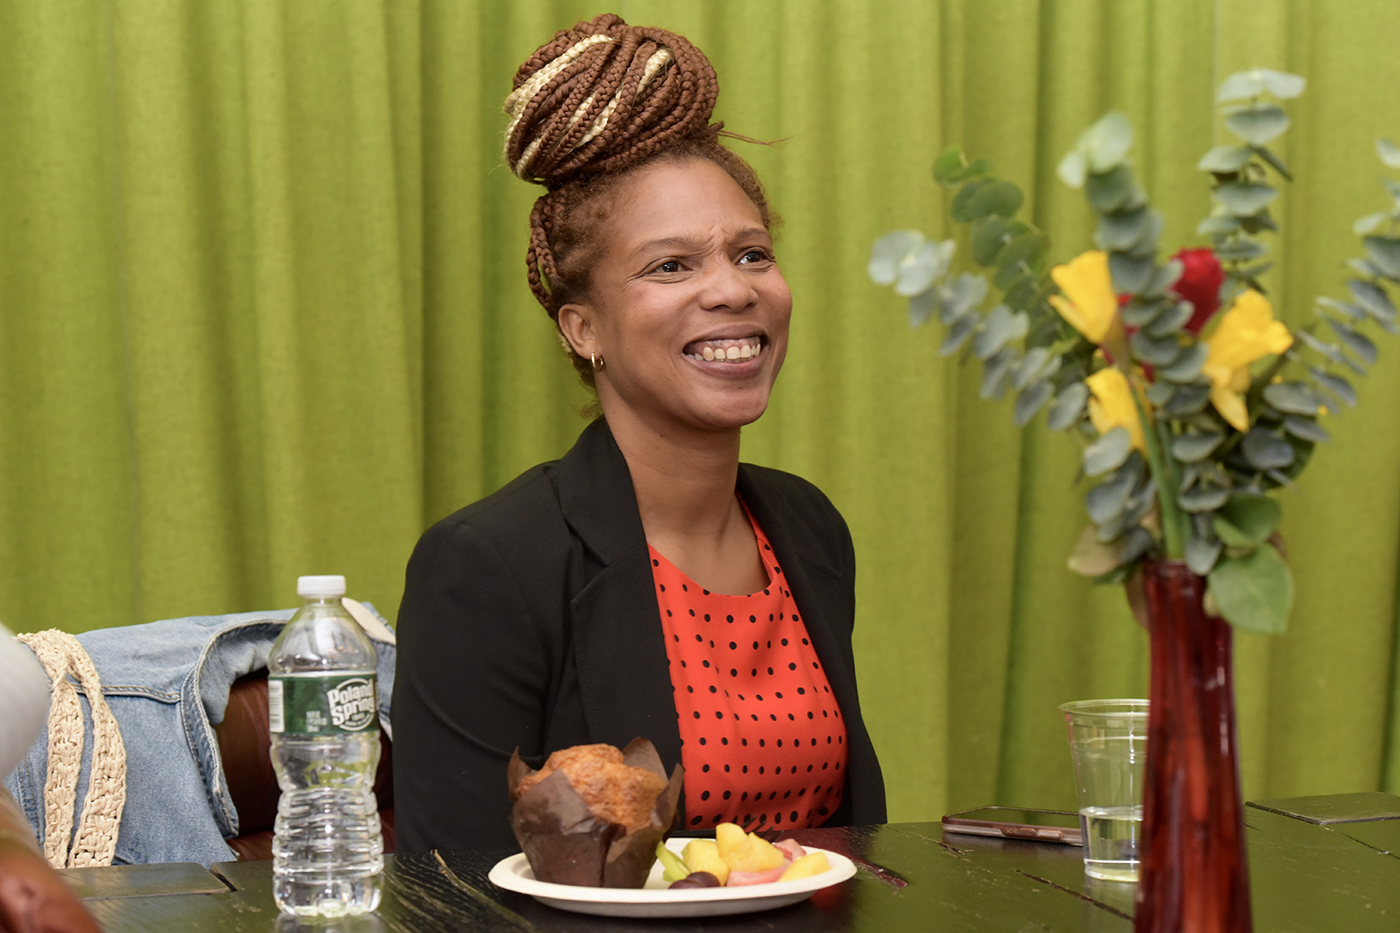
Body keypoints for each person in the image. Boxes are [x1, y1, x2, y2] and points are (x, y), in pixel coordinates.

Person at [393, 13, 885, 855]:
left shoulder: (809, 529)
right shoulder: (487, 565)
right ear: (583, 328)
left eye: (752, 254)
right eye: (671, 265)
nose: (733, 290)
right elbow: (453, 893)